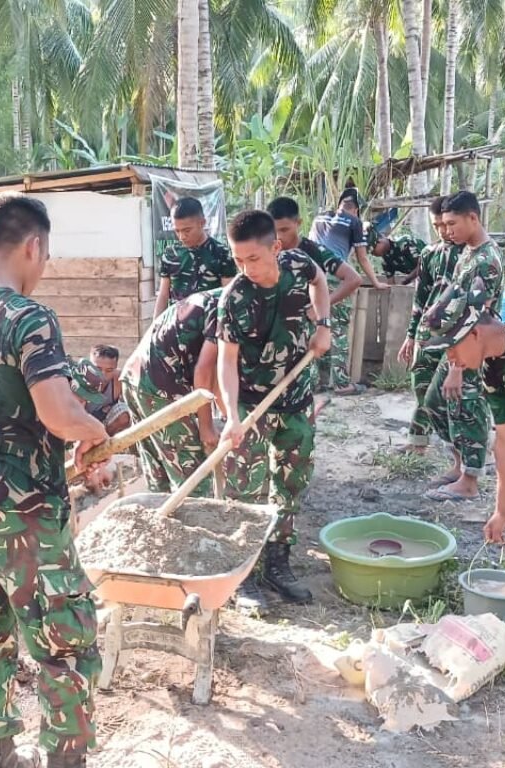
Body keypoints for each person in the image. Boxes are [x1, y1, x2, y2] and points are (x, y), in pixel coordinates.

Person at [0, 192, 108, 768]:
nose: (44, 267)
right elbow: (58, 413)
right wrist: (94, 431)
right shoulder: (28, 316)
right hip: (20, 506)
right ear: (33, 246)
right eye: (46, 255)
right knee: (64, 641)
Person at [217, 210, 331, 605]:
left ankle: (277, 564)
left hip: (296, 398)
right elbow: (226, 362)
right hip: (252, 403)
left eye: (253, 258)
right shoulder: (234, 298)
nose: (245, 268)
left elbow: (320, 281)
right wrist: (232, 416)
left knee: (290, 484)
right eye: (238, 259)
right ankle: (242, 573)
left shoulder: (297, 264)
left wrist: (323, 325)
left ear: (276, 248)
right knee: (244, 490)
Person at [420, 281, 505, 542]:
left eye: (452, 347)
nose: (450, 358)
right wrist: (502, 511)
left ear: (476, 333)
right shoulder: (493, 373)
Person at [421, 191, 503, 502]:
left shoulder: (486, 261)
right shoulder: (468, 251)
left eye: (453, 224)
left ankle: (469, 480)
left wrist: (457, 367)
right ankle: (459, 465)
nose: (448, 230)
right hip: (456, 345)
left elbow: (474, 318)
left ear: (473, 218)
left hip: (473, 348)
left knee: (466, 408)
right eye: (444, 224)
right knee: (435, 401)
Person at [121, 289, 220, 497]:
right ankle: (191, 516)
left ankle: (161, 514)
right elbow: (205, 371)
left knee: (159, 476)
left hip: (135, 378)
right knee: (193, 481)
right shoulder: (231, 308)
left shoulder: (212, 298)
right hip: (160, 388)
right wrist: (206, 427)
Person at [268, 196, 362, 393]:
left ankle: (337, 384)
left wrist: (319, 309)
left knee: (330, 347)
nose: (279, 236)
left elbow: (353, 279)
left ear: (298, 223)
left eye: (284, 229)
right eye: (274, 230)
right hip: (282, 328)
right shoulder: (266, 253)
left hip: (310, 320)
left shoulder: (314, 251)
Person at [308, 188, 390, 395]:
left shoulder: (318, 218)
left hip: (312, 280)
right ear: (356, 209)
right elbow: (362, 258)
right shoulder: (354, 222)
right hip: (336, 279)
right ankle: (342, 384)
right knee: (338, 332)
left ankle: (317, 382)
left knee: (318, 327)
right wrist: (376, 283)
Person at [396, 197, 460, 453]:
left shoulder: (470, 254)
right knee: (421, 386)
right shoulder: (429, 254)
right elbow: (420, 298)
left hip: (456, 335)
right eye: (437, 226)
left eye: (446, 224)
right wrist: (410, 335)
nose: (443, 231)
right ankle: (418, 442)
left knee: (454, 393)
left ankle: (461, 448)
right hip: (427, 333)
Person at [153, 197, 237, 317]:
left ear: (202, 223)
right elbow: (163, 295)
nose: (182, 236)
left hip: (209, 324)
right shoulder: (170, 254)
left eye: (187, 230)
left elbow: (227, 297)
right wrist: (155, 325)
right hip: (176, 324)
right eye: (177, 231)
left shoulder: (222, 253)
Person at [87, 344, 130, 435]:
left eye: (109, 370)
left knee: (125, 412)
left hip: (104, 424)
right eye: (98, 369)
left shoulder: (119, 379)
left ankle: (105, 442)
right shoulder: (79, 380)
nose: (103, 374)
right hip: (81, 425)